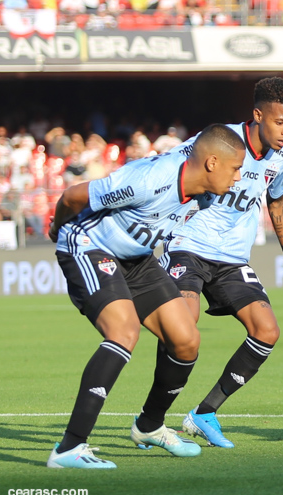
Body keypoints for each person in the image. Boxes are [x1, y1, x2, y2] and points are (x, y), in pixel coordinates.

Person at [46, 124, 246, 469]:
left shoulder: (208, 191)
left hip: (136, 258)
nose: (239, 177)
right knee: (124, 331)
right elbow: (72, 197)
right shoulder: (148, 179)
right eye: (235, 168)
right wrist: (55, 229)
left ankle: (149, 426)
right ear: (212, 163)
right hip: (89, 245)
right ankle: (70, 448)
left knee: (186, 340)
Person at [160, 77, 283, 449]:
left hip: (231, 258)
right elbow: (167, 172)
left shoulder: (282, 157)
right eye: (279, 122)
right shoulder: (217, 141)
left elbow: (277, 201)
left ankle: (204, 413)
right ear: (258, 115)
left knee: (267, 330)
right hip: (188, 246)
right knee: (184, 324)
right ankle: (153, 420)